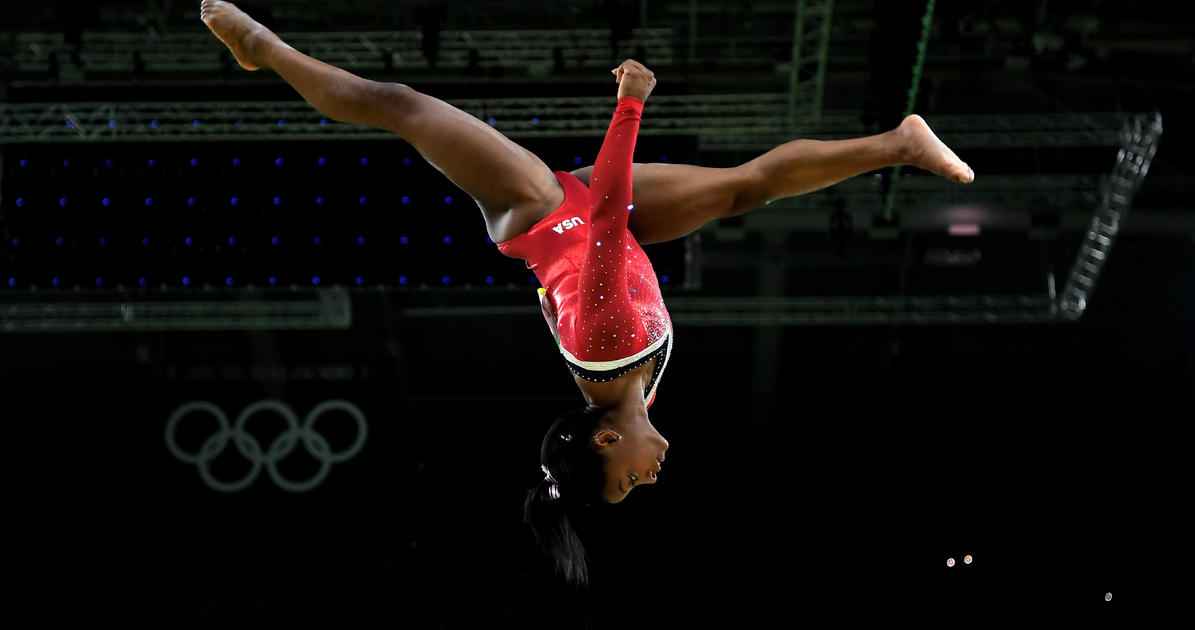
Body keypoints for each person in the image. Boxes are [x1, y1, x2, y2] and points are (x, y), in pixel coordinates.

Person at [199, 0, 974, 586]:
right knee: (744, 191)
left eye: (629, 479)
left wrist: (632, 101)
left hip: (542, 210)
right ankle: (900, 143)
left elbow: (603, 216)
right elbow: (602, 248)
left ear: (607, 440)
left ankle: (267, 49)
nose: (650, 477)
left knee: (399, 105)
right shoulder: (636, 397)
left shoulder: (608, 359)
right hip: (609, 228)